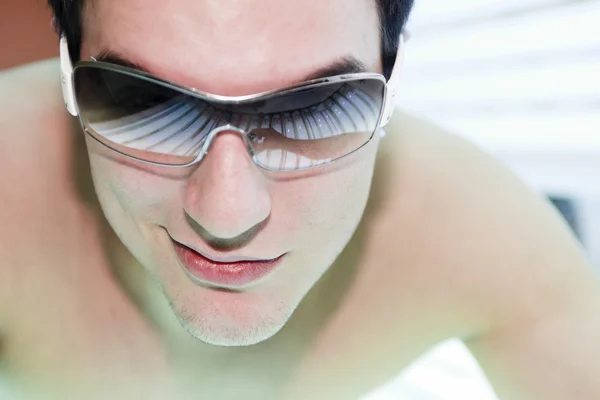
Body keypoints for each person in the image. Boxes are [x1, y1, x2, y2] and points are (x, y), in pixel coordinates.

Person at [1, 0, 599, 399]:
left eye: (314, 108)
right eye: (142, 103)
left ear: (394, 73)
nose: (226, 215)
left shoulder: (495, 244)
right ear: (67, 71)